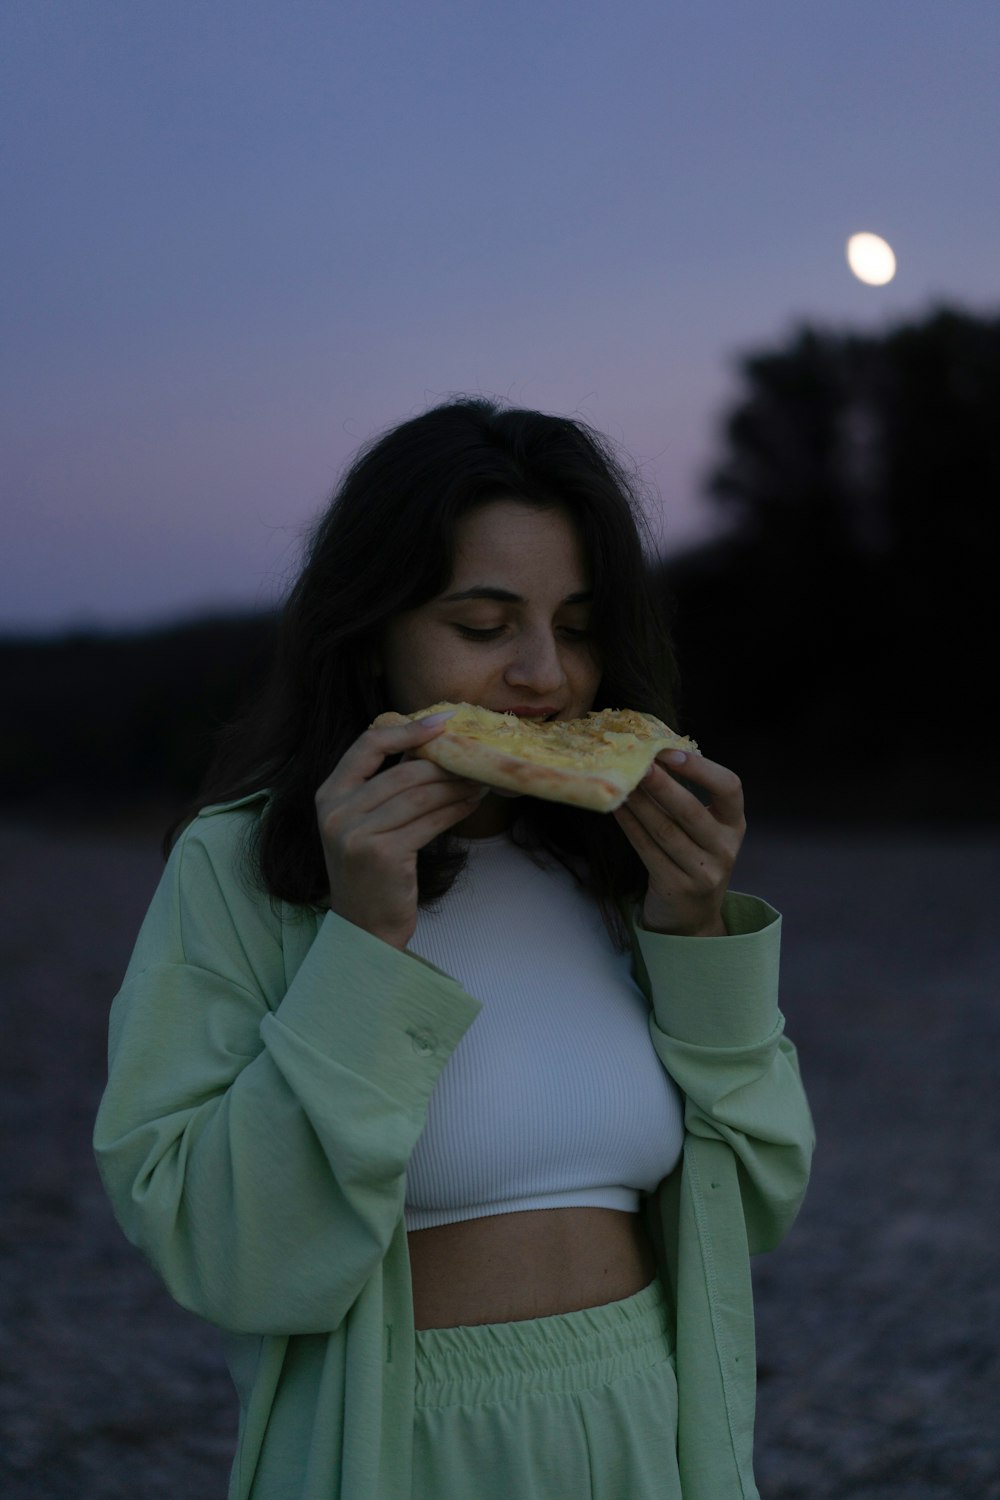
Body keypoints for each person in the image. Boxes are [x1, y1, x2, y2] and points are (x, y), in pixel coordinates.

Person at [93, 397, 814, 1500]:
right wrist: (364, 941)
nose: (542, 677)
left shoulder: (614, 865)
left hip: (648, 1429)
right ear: (373, 637)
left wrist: (696, 931)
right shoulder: (239, 865)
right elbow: (219, 1249)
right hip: (402, 1442)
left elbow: (760, 1201)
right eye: (482, 627)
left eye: (575, 627)